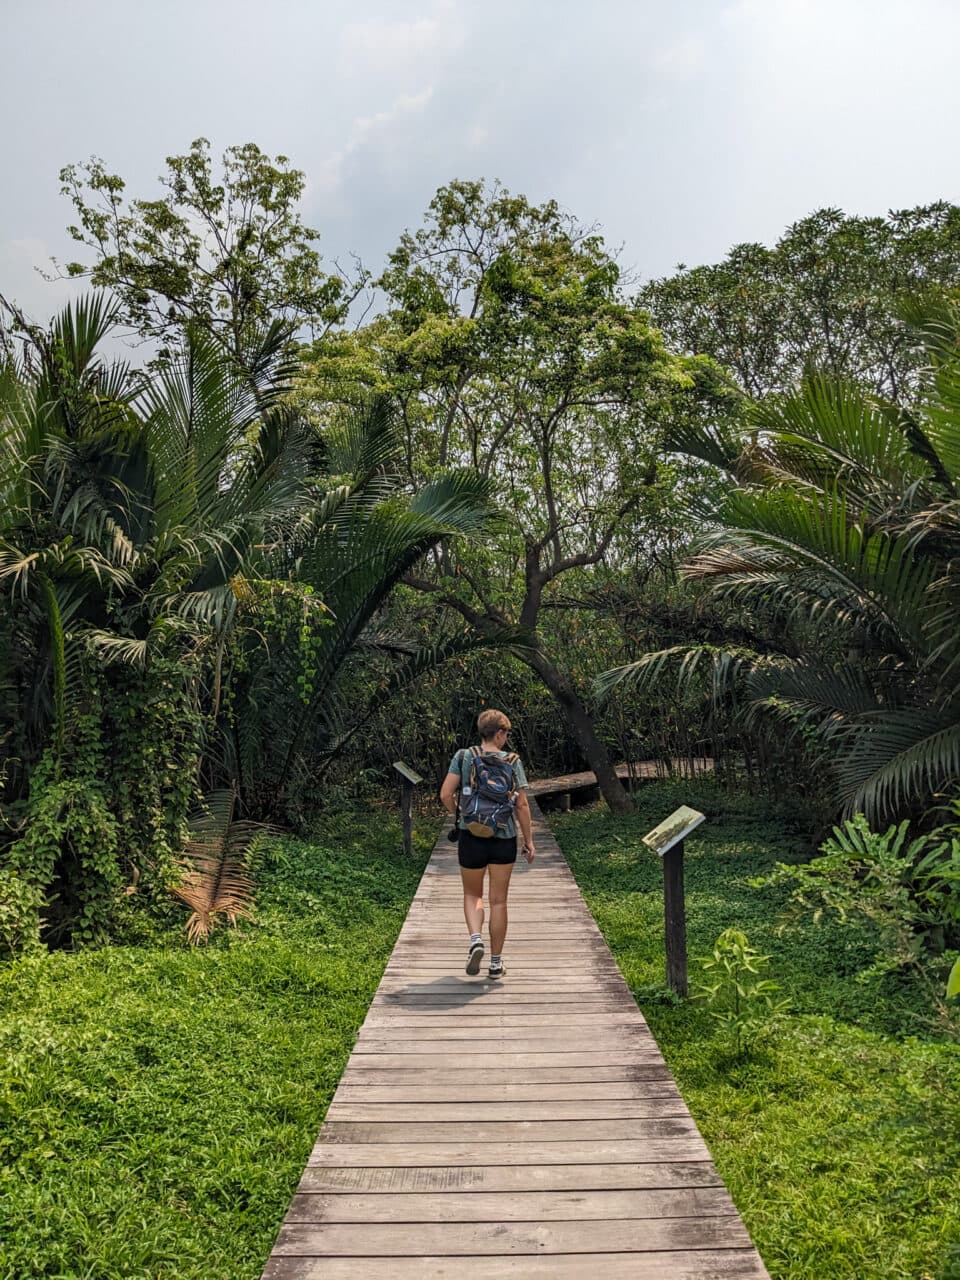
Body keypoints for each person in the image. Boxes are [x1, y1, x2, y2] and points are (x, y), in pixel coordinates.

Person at [440, 709, 535, 979]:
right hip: (503, 837)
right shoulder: (513, 761)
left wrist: (462, 815)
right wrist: (528, 841)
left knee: (473, 895)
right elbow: (522, 805)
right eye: (507, 733)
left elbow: (445, 794)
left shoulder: (464, 757)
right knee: (499, 901)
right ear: (500, 733)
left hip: (471, 837)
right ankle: (495, 964)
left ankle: (475, 940)